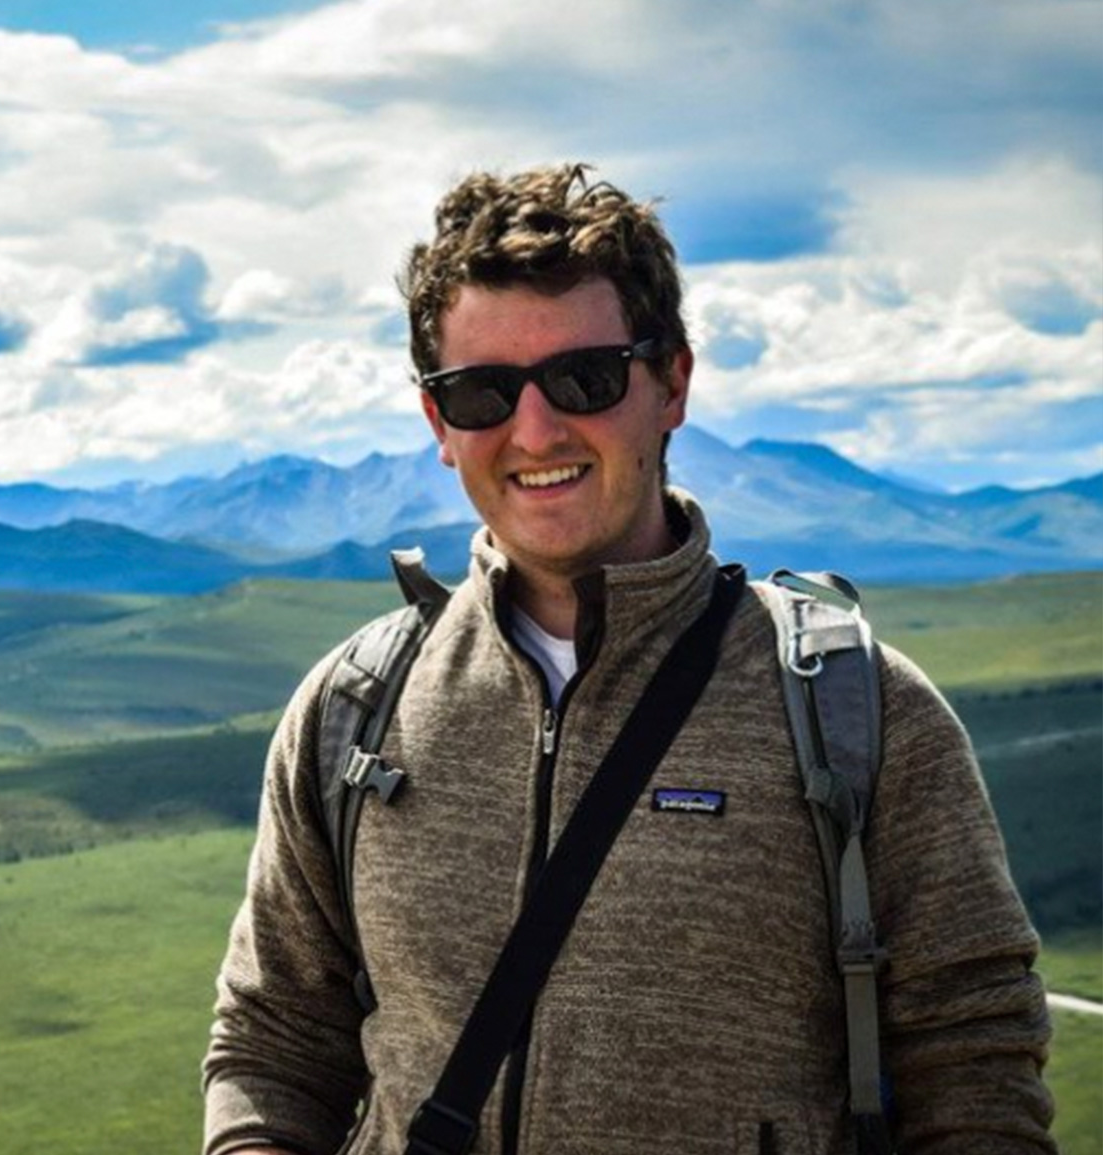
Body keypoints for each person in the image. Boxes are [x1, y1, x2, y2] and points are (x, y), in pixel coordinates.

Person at [202, 164, 1056, 1155]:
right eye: (481, 393)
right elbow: (274, 1041)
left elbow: (975, 1068)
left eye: (585, 379)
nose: (535, 430)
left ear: (672, 384)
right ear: (438, 423)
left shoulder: (860, 714)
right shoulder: (355, 707)